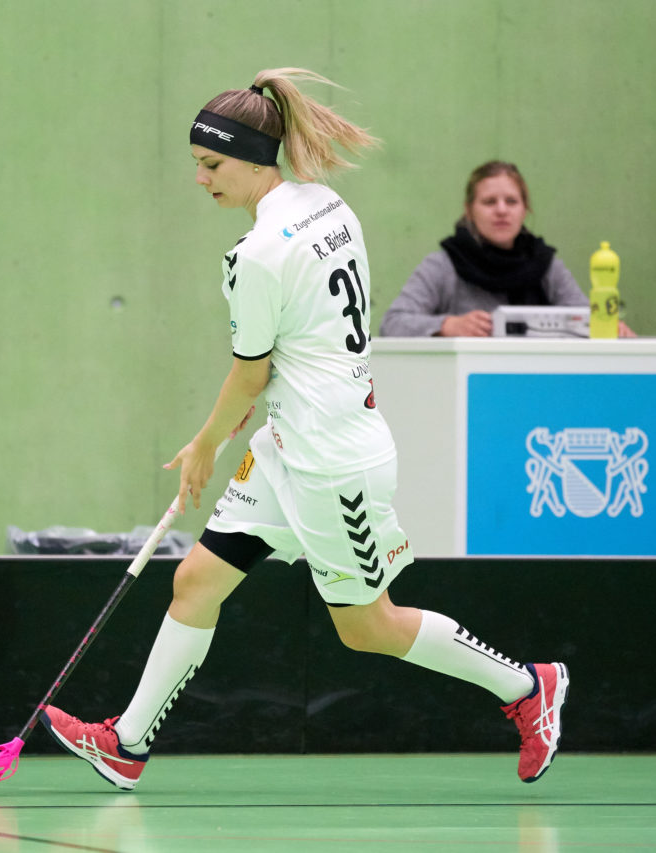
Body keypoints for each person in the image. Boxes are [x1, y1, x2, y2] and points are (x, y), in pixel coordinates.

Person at [38, 69, 568, 791]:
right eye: (197, 164)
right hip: (290, 445)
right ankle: (127, 744)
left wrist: (201, 447)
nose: (200, 178)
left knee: (367, 626)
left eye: (210, 164)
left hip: (333, 464)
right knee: (196, 580)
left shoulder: (255, 256)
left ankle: (527, 688)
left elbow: (249, 376)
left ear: (255, 157)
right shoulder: (327, 203)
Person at [381, 161, 631, 337]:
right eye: (489, 202)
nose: (502, 210)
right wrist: (446, 325)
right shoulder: (443, 265)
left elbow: (585, 319)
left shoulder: (545, 264)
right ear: (469, 210)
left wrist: (610, 328)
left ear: (525, 209)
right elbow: (392, 324)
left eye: (511, 201)